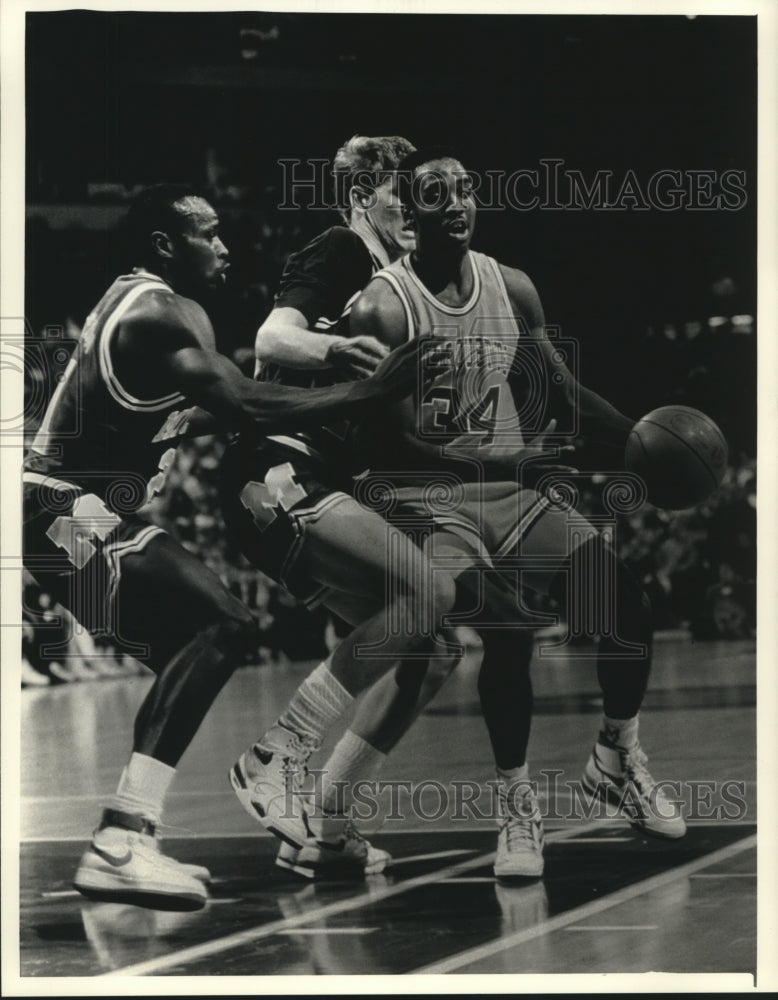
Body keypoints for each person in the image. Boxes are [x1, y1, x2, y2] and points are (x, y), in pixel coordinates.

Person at [22, 183, 422, 911]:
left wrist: (280, 393)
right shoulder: (164, 310)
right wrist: (360, 393)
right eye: (207, 234)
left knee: (190, 652)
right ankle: (121, 842)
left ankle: (128, 836)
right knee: (225, 623)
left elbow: (192, 416)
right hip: (56, 508)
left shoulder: (137, 304)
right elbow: (243, 405)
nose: (225, 246)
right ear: (165, 245)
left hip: (55, 510)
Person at [345, 147, 687, 878]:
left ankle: (617, 756)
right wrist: (511, 463)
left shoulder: (514, 287)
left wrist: (642, 442)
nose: (459, 203)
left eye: (467, 189)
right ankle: (516, 810)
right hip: (423, 499)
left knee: (623, 602)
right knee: (508, 627)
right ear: (409, 214)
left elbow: (561, 394)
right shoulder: (383, 304)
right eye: (437, 194)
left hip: (509, 490)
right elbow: (392, 442)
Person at [223, 135, 538, 880]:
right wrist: (339, 358)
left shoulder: (410, 284)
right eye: (406, 191)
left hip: (332, 477)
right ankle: (275, 755)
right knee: (430, 590)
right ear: (365, 196)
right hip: (277, 464)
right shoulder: (342, 252)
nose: (420, 206)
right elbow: (271, 339)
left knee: (432, 651)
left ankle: (328, 823)